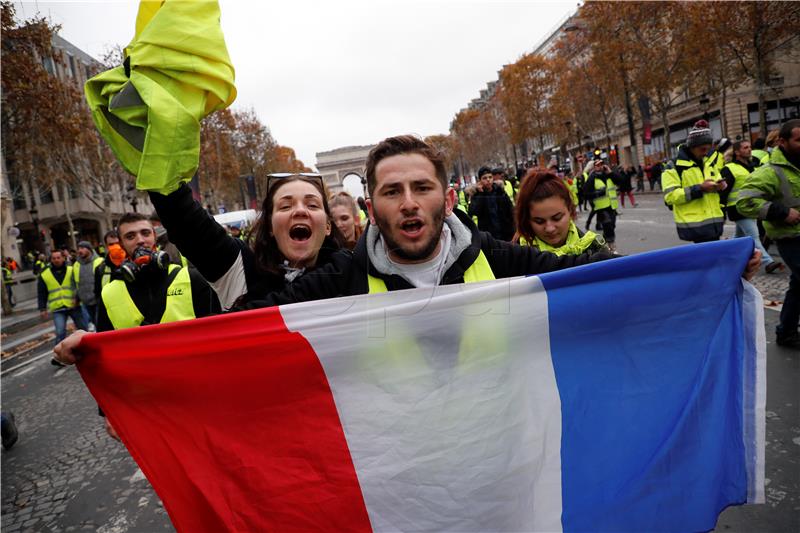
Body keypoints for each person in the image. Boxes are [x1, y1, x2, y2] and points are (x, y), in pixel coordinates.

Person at [146, 172, 345, 311]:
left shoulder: (356, 271)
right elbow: (180, 213)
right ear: (269, 227)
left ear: (328, 226)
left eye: (312, 204)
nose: (300, 210)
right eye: (285, 206)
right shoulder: (240, 269)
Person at [737, 119, 800, 347]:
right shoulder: (771, 171)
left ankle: (786, 332)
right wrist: (781, 212)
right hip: (790, 237)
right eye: (798, 139)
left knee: (797, 286)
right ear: (782, 142)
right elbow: (744, 202)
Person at [513, 170, 610, 257]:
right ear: (527, 220)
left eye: (557, 218)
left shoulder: (594, 249)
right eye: (539, 221)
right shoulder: (515, 257)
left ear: (570, 210)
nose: (550, 228)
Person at [720, 140, 783, 273]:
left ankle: (724, 252)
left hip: (752, 206)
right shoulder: (729, 168)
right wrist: (722, 209)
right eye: (745, 147)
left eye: (750, 147)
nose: (749, 149)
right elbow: (724, 191)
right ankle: (768, 262)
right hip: (737, 208)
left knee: (739, 236)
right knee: (753, 236)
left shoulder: (753, 166)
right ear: (737, 152)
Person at [662, 120, 727, 243]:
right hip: (695, 227)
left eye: (708, 149)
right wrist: (700, 188)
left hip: (715, 224)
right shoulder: (673, 166)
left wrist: (720, 186)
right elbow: (670, 197)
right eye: (703, 149)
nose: (706, 153)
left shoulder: (708, 162)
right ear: (692, 147)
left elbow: (716, 183)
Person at [37, 249, 88, 365]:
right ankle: (58, 357)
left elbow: (79, 285)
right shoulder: (45, 274)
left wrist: (79, 299)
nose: (56, 260)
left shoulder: (72, 270)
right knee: (60, 332)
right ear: (51, 260)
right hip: (58, 308)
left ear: (63, 258)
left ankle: (88, 351)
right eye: (54, 258)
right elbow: (41, 292)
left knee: (83, 329)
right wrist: (42, 308)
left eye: (58, 257)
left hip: (74, 305)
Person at [468, 166, 515, 241]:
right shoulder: (477, 195)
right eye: (484, 178)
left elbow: (510, 210)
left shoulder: (500, 191)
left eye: (490, 177)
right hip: (490, 238)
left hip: (506, 235)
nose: (488, 180)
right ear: (480, 181)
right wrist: (480, 194)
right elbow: (473, 211)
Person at [583, 159, 618, 251]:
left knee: (611, 226)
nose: (600, 166)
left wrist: (611, 173)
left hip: (611, 206)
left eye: (601, 164)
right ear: (594, 167)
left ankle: (602, 245)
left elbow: (622, 181)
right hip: (601, 208)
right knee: (608, 224)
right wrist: (597, 194)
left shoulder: (608, 175)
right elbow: (585, 194)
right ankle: (611, 247)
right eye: (597, 165)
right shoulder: (592, 177)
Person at [73, 241, 104, 328]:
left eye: (82, 248)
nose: (80, 251)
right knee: (95, 323)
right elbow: (76, 283)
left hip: (99, 300)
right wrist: (76, 298)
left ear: (89, 249)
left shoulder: (100, 261)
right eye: (78, 248)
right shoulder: (76, 265)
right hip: (85, 301)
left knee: (100, 323)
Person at [93, 230, 124, 301]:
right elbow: (98, 295)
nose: (115, 247)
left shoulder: (134, 263)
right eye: (111, 244)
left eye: (118, 243)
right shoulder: (100, 269)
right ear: (106, 246)